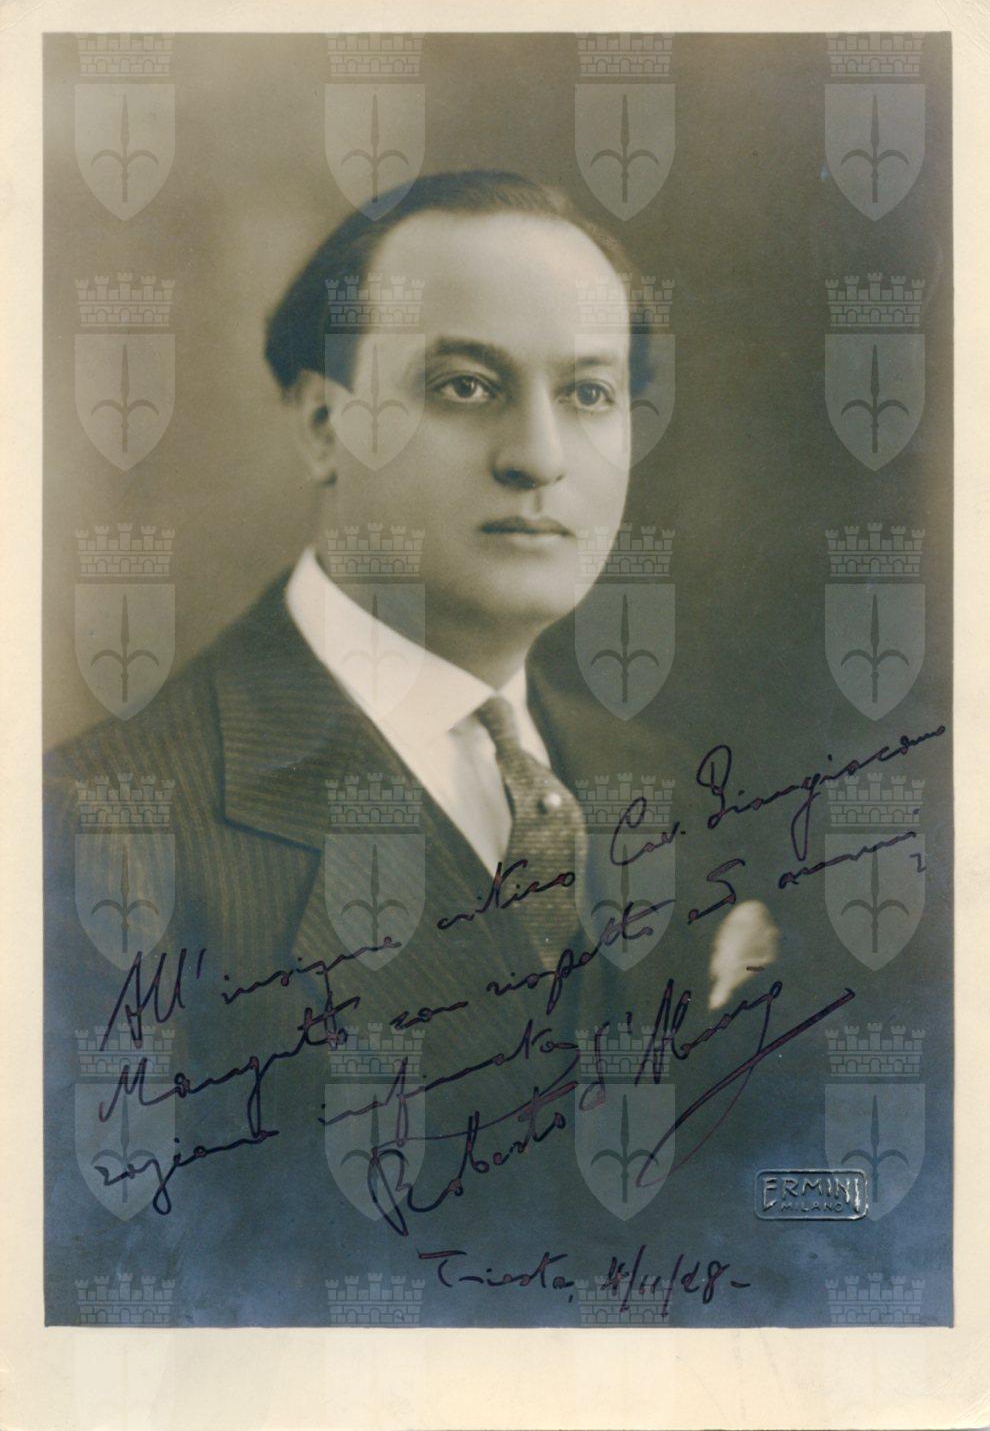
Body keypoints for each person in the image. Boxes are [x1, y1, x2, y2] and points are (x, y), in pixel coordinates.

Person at [44, 170, 763, 1326]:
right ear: (323, 425)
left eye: (589, 393)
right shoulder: (99, 832)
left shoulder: (665, 789)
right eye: (466, 386)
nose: (540, 457)